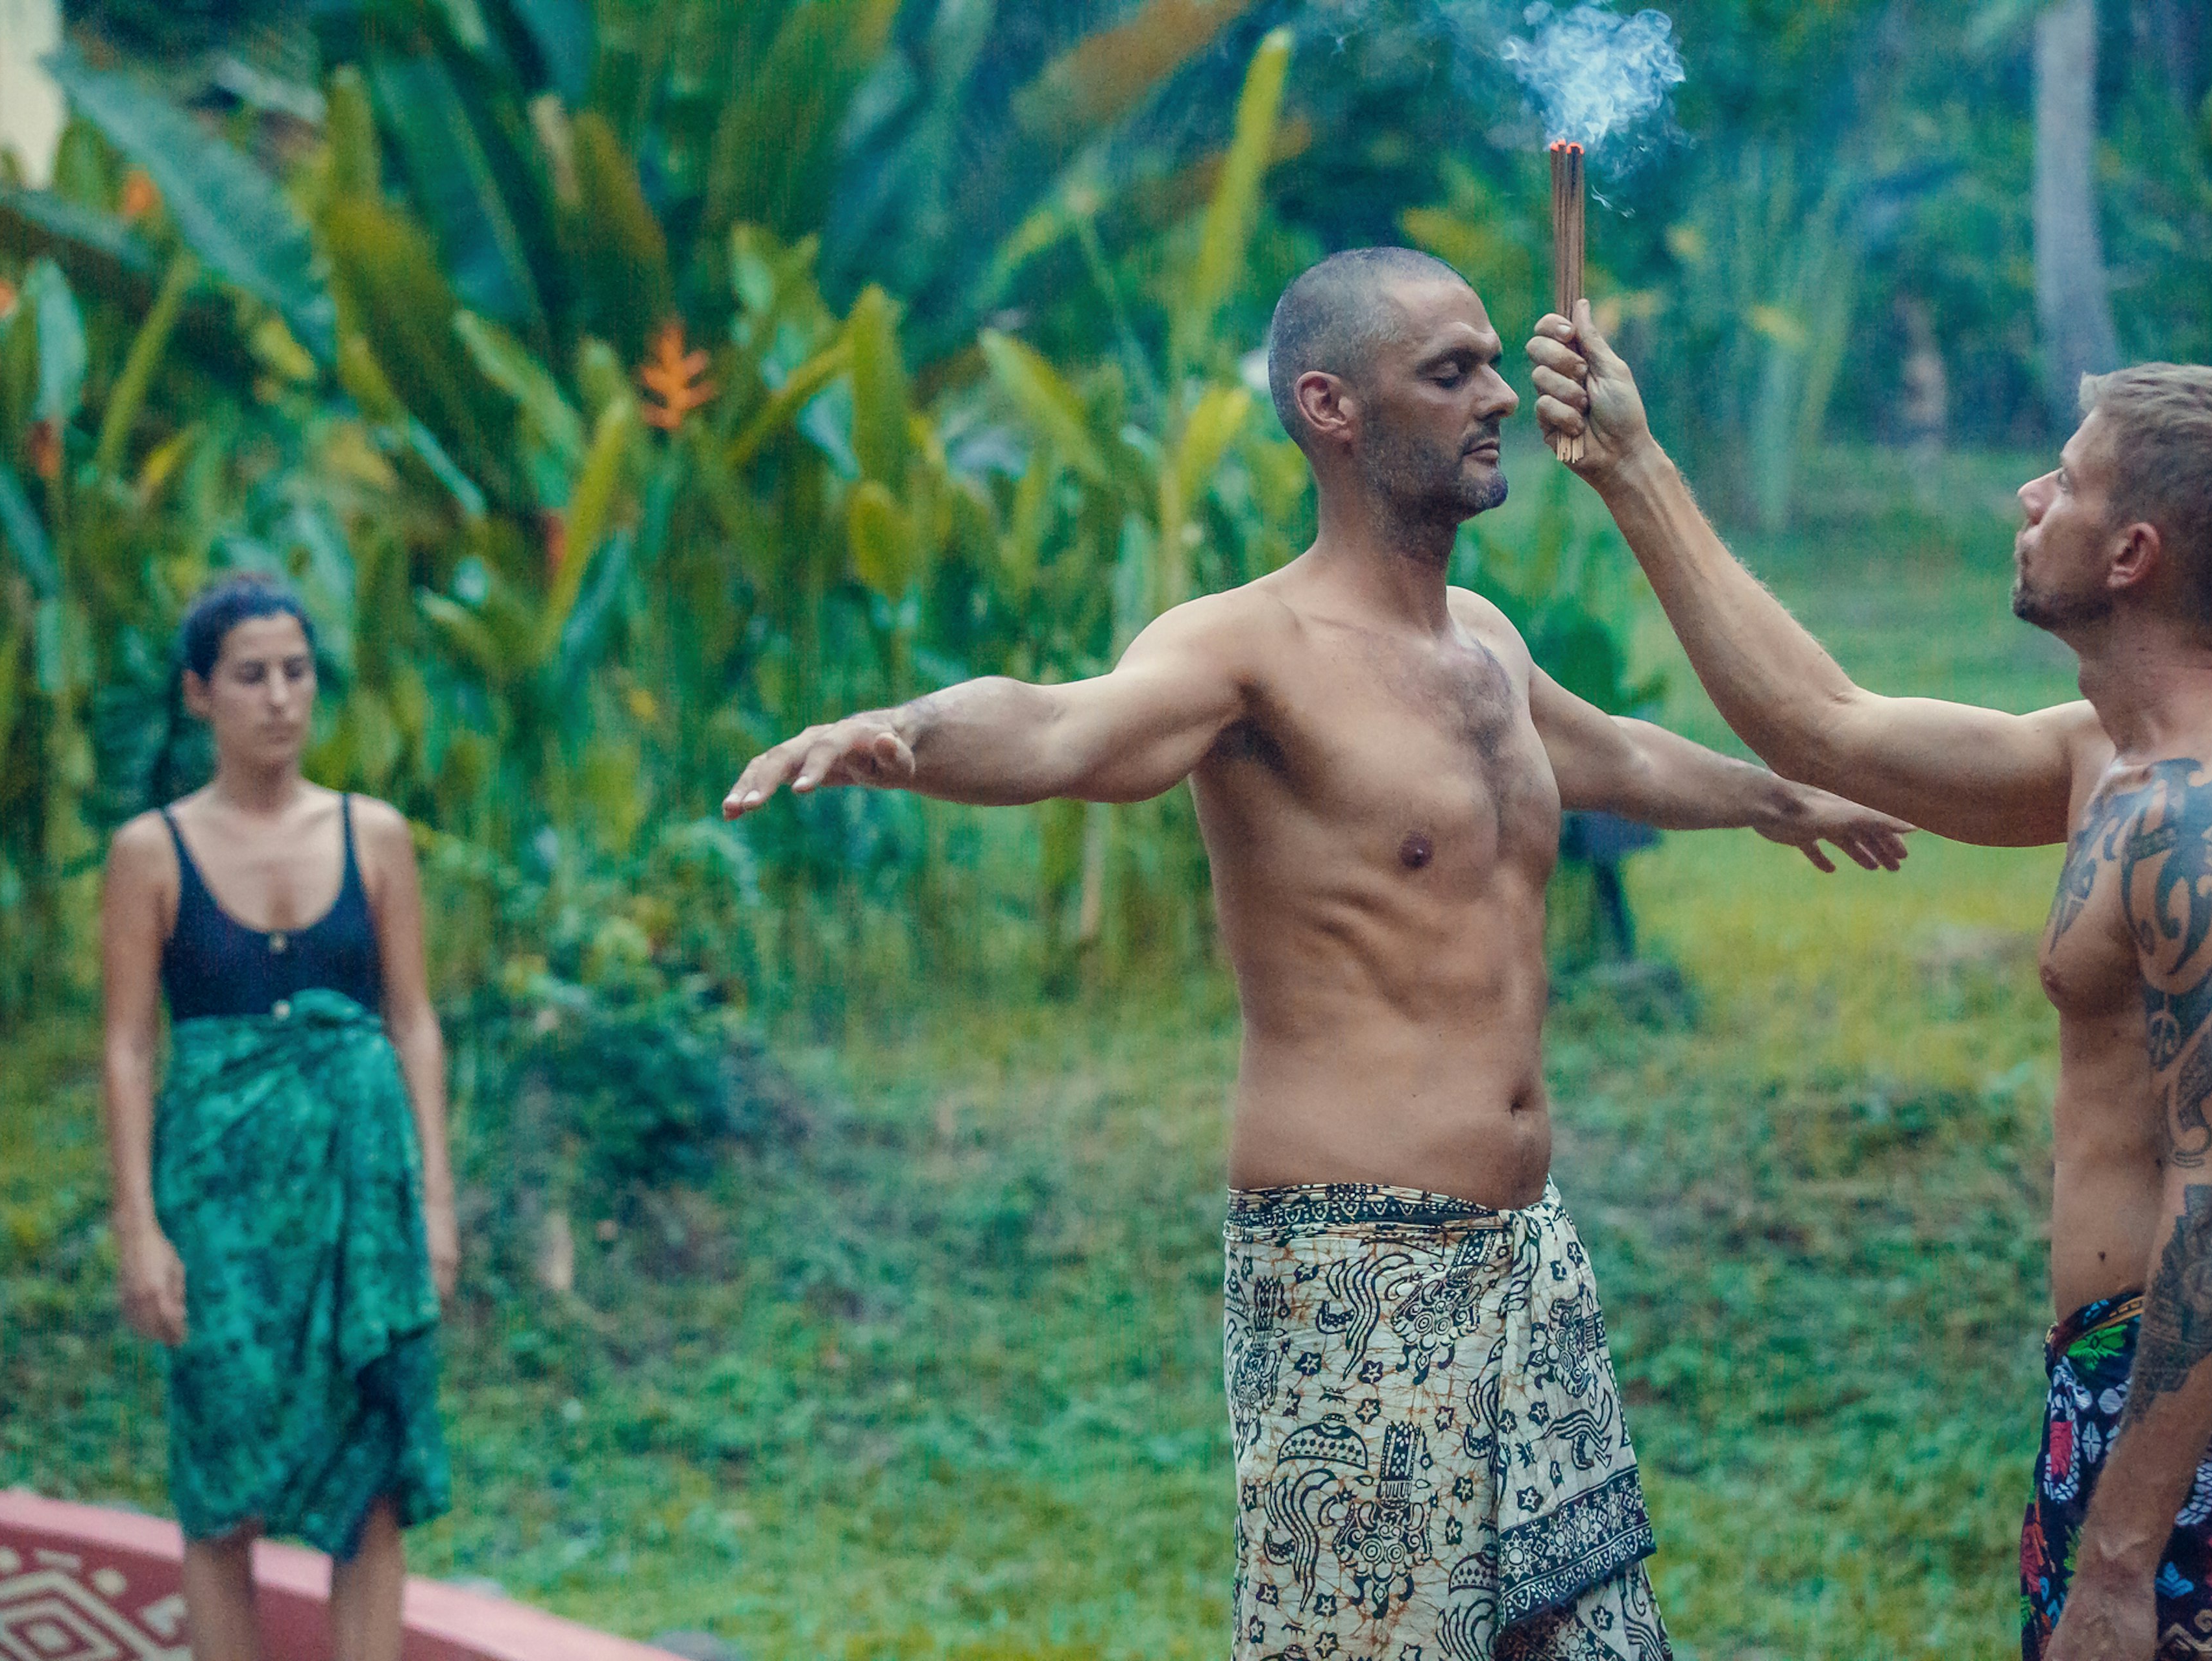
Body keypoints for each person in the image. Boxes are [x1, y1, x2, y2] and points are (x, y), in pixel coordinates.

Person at [724, 247, 1912, 1661]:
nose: (1495, 398)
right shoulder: (1247, 646)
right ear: (1331, 407)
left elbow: (1612, 754)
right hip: (1357, 1267)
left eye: (1490, 360)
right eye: (1451, 371)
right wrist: (906, 733)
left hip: (1527, 1252)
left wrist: (1783, 798)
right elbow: (1060, 724)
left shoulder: (1486, 640)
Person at [1525, 311, 2212, 1658]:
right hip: (2131, 1403)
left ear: (2132, 554)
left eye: (2064, 476)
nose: (2028, 496)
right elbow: (1820, 725)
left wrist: (2118, 1569)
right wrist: (1633, 466)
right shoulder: (2103, 755)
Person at [101, 577, 456, 1661]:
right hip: (218, 1198)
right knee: (221, 1487)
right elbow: (127, 1046)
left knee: (375, 1472)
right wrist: (139, 1225)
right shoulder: (150, 853)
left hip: (364, 1194)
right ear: (200, 694)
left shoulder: (375, 835)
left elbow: (415, 1021)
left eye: (297, 672)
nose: (280, 698)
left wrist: (437, 1199)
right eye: (251, 676)